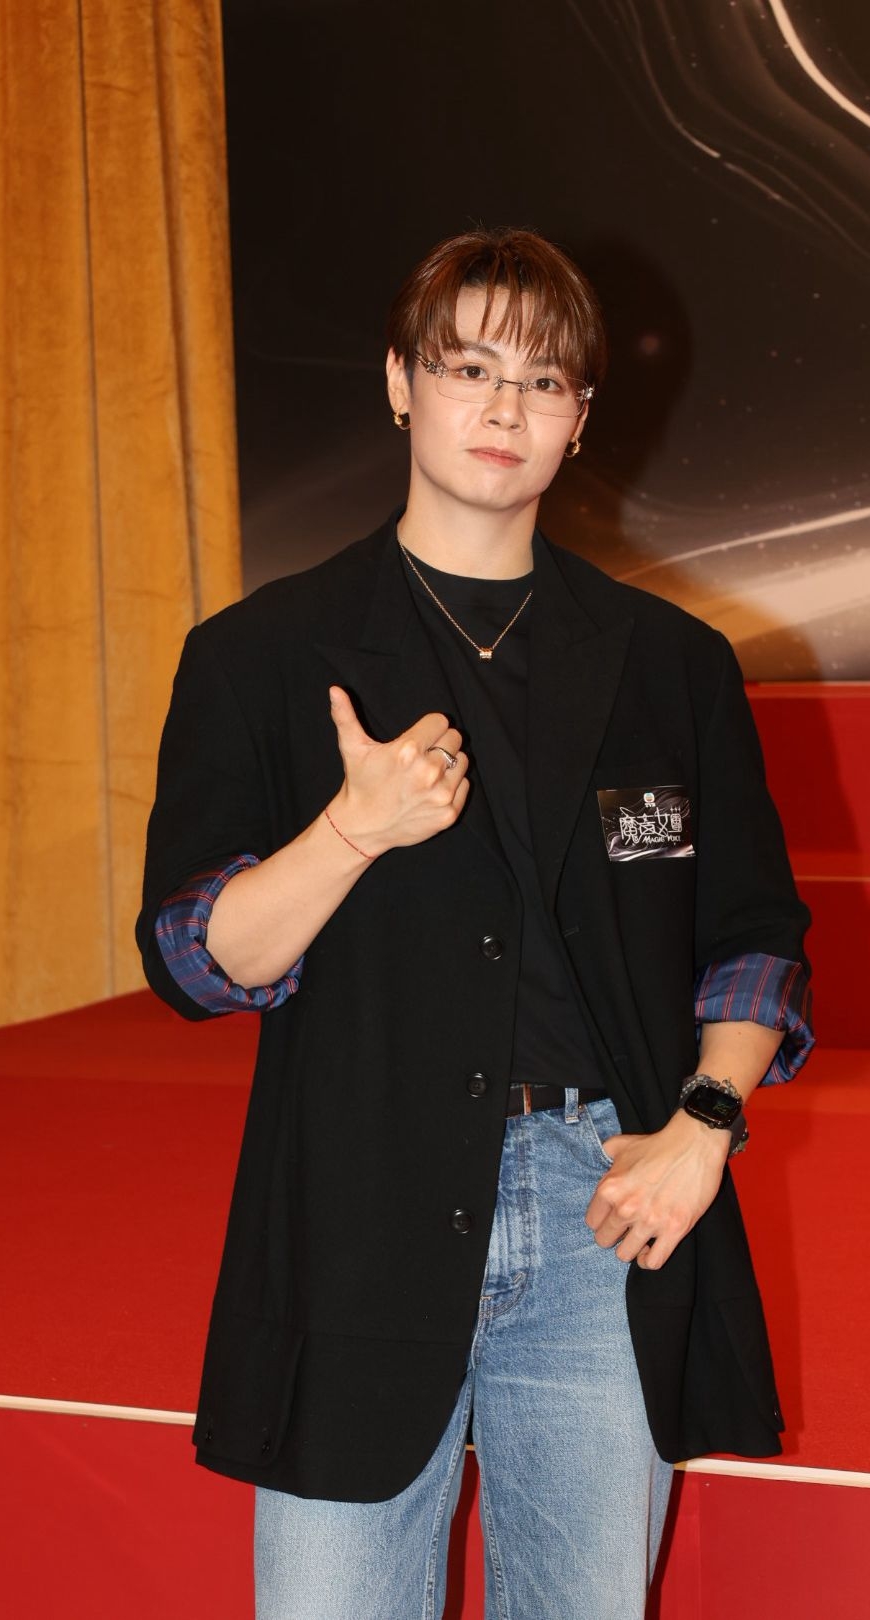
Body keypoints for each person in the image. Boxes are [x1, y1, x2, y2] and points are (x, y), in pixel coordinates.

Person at [136, 227, 813, 1620]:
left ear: (580, 419)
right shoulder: (263, 655)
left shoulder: (671, 666)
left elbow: (752, 940)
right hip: (358, 1203)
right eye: (468, 367)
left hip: (604, 1209)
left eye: (545, 380)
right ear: (400, 384)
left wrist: (703, 1125)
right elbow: (199, 959)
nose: (505, 406)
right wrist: (351, 830)